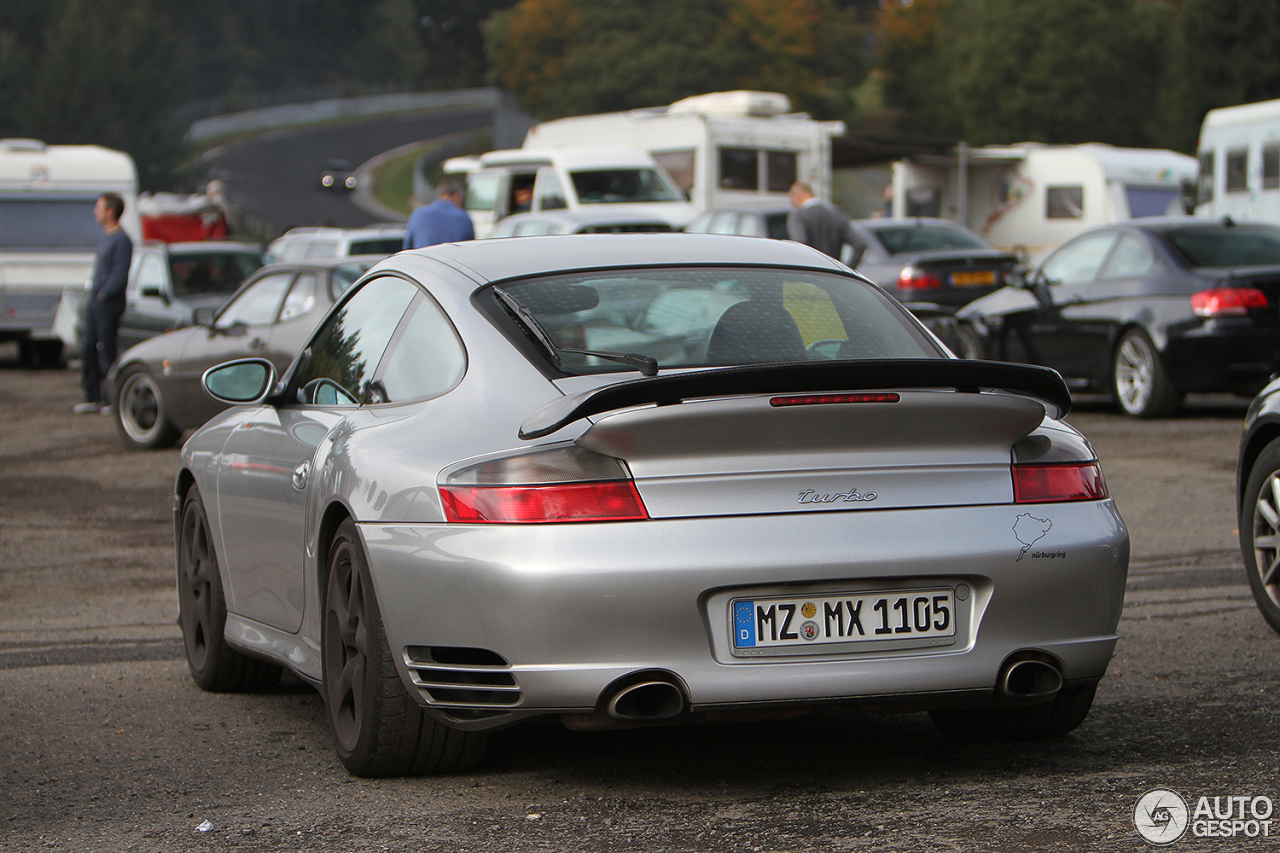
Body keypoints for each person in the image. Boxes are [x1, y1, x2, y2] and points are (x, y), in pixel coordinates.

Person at [74, 193, 132, 414]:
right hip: (95, 299)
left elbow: (120, 272)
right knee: (87, 347)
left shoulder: (121, 239)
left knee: (107, 350)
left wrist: (105, 293)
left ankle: (111, 398)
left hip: (109, 302)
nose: (94, 211)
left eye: (99, 207)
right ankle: (92, 396)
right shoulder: (104, 238)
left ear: (110, 212)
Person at [787, 181, 854, 260]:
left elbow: (800, 245)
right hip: (832, 270)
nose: (794, 205)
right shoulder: (836, 213)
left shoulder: (798, 215)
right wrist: (846, 269)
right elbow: (860, 244)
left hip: (811, 269)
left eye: (793, 202)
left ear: (798, 196)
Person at [403, 179, 474, 249]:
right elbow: (469, 250)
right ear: (456, 196)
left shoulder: (418, 214)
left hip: (423, 259)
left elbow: (407, 247)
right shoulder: (464, 218)